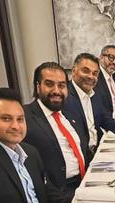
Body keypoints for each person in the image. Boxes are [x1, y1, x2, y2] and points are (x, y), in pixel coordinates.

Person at [24, 62, 90, 191]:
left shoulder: (70, 113)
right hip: (58, 193)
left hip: (85, 183)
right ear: (38, 87)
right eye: (49, 84)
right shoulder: (25, 118)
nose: (56, 91)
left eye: (61, 85)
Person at [63, 52, 115, 154]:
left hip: (96, 149)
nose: (91, 76)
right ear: (73, 71)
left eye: (95, 73)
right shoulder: (65, 97)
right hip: (80, 155)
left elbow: (103, 117)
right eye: (86, 71)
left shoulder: (93, 93)